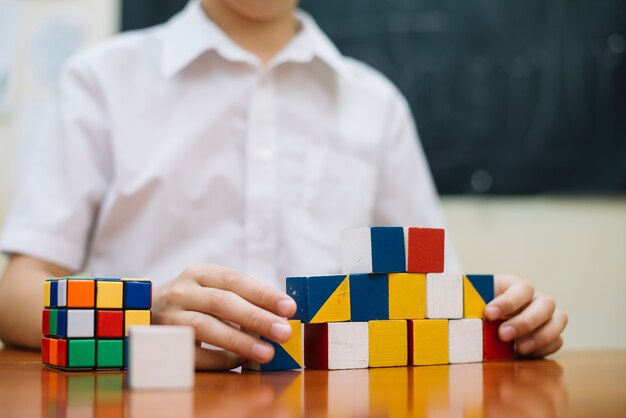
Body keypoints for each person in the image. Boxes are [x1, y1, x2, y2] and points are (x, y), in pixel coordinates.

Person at [0, 0, 567, 370]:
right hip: (142, 397)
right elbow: (16, 293)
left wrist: (509, 318)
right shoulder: (100, 81)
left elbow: (432, 295)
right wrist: (142, 316)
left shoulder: (376, 105)